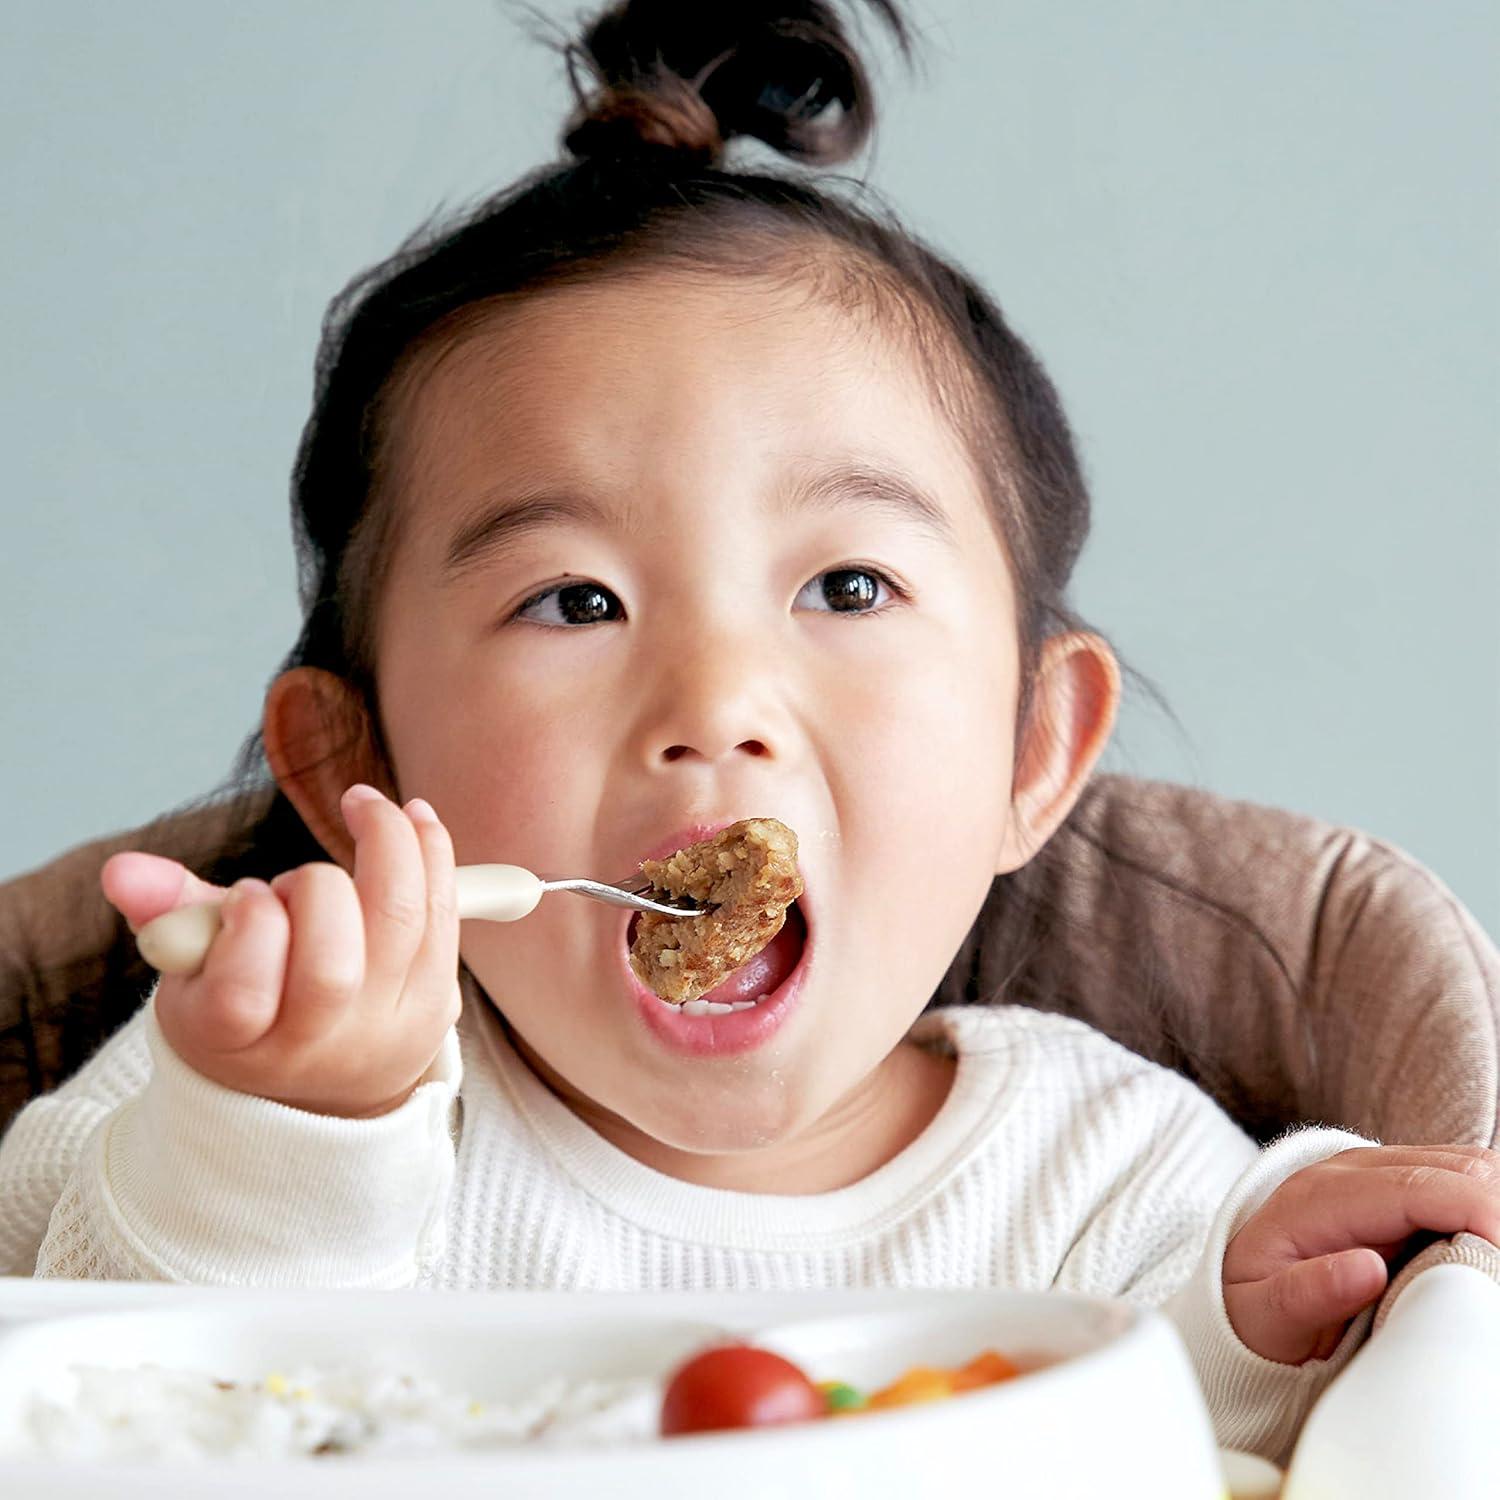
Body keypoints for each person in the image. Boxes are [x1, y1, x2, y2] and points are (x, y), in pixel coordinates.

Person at [2, 0, 1495, 1467]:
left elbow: (1230, 1446)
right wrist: (277, 1146)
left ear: (1033, 752)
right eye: (573, 601)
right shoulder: (245, 1096)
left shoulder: (1110, 1188)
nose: (715, 705)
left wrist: (1248, 1337)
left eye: (847, 585)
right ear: (361, 770)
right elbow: (93, 1414)